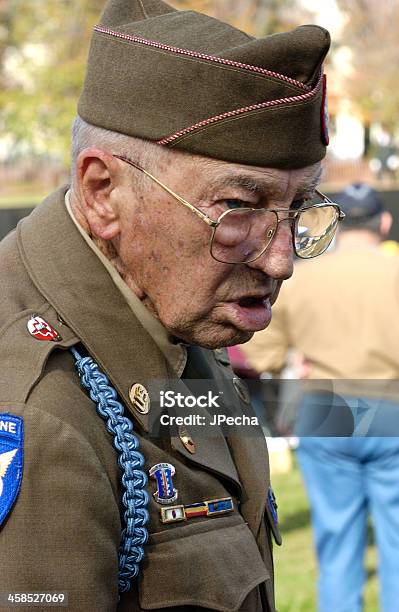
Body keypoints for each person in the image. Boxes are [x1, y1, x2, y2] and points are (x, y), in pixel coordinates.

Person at [0, 1, 338, 610]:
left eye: (299, 207)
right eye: (239, 206)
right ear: (104, 193)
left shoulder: (168, 321)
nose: (281, 259)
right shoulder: (37, 410)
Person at [242, 183, 399, 612]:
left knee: (335, 541)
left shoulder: (305, 278)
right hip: (392, 409)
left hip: (327, 410)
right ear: (384, 223)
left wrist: (295, 359)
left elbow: (262, 352)